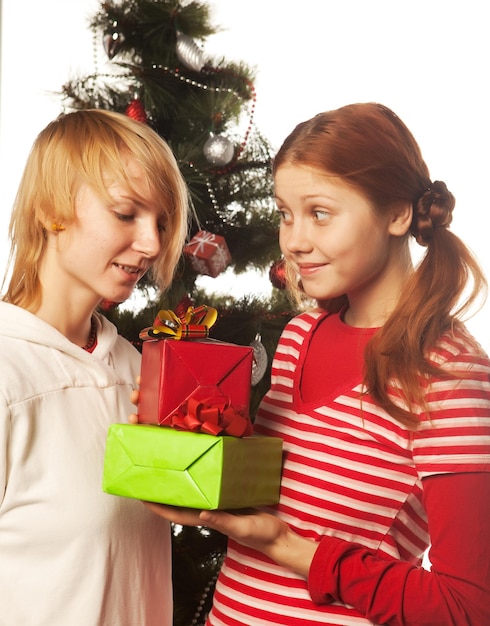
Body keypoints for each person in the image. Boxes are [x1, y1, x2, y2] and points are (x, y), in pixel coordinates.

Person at [144, 102, 490, 625]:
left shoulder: (447, 371)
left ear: (397, 214)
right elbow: (273, 492)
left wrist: (292, 548)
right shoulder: (301, 335)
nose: (295, 241)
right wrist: (185, 428)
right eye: (285, 213)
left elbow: (467, 607)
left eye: (320, 213)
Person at [0, 108, 189, 625]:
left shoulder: (139, 370)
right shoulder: (8, 373)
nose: (151, 243)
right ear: (49, 209)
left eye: (161, 222)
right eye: (126, 214)